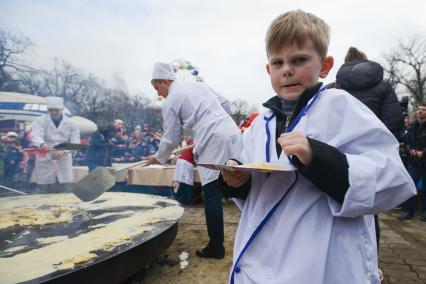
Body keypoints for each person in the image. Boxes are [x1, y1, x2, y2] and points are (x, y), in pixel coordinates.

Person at [219, 10, 416, 283]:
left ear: (325, 65)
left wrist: (318, 158)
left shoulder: (341, 107)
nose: (286, 69)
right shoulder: (259, 123)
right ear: (269, 70)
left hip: (324, 259)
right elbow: (254, 187)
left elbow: (393, 180)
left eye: (299, 59)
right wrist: (235, 178)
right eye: (277, 62)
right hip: (259, 261)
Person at [147, 62, 241, 259]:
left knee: (212, 192)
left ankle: (216, 247)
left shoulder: (172, 100)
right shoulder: (199, 85)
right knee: (240, 181)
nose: (159, 93)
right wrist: (212, 121)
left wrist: (158, 157)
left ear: (165, 81)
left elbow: (171, 137)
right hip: (231, 131)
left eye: (158, 88)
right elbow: (225, 104)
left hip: (212, 138)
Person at [336, 46, 404, 281]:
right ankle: (370, 266)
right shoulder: (383, 87)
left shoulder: (337, 87)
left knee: (337, 205)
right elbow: (394, 122)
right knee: (369, 209)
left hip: (339, 157)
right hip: (373, 158)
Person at [31, 96, 80, 193]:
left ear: (62, 109)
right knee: (43, 186)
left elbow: (75, 142)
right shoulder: (40, 121)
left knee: (65, 185)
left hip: (64, 158)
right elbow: (35, 135)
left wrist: (63, 151)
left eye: (56, 110)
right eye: (50, 110)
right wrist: (41, 144)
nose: (53, 112)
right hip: (45, 157)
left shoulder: (71, 123)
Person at [400, 105, 426, 221]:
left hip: (424, 160)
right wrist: (409, 149)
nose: (420, 111)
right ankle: (408, 211)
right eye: (419, 109)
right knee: (410, 185)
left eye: (423, 110)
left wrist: (423, 153)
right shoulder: (412, 126)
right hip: (413, 160)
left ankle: (425, 213)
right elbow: (406, 142)